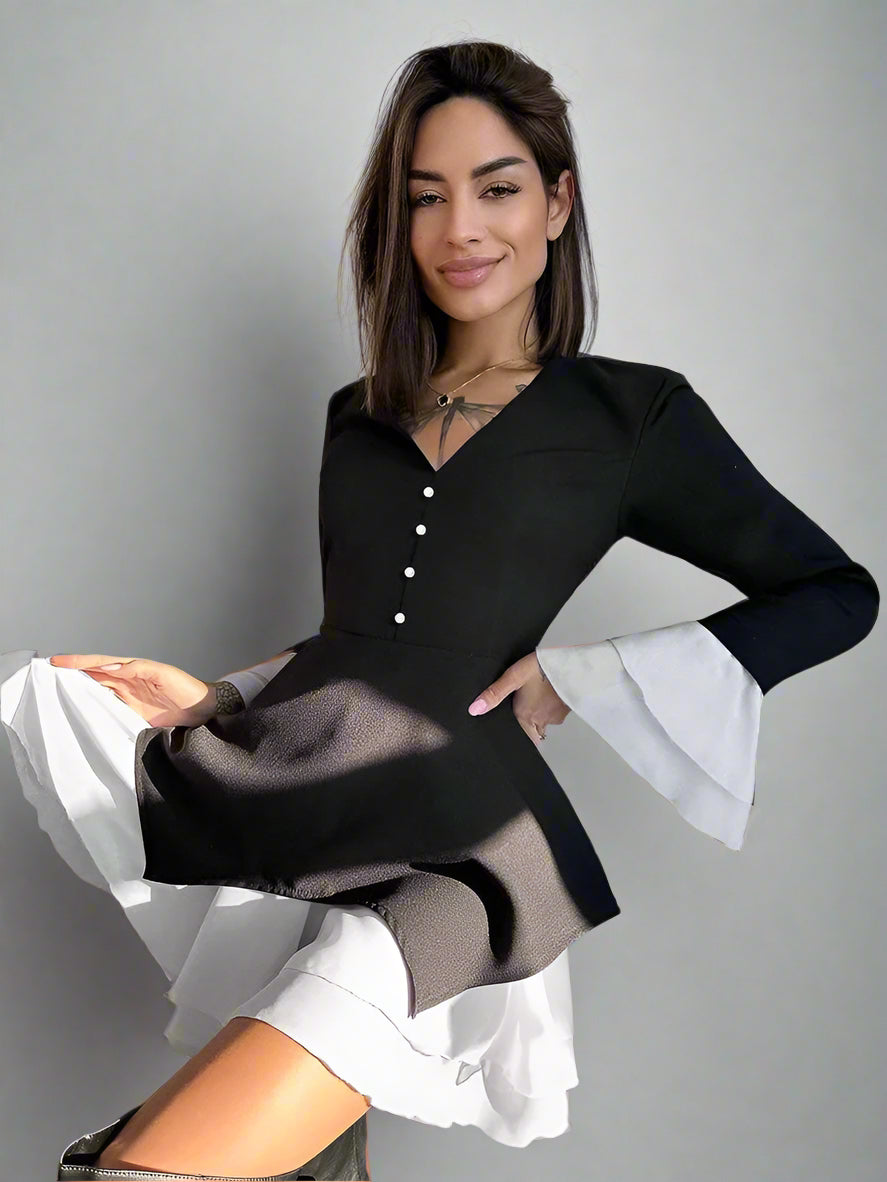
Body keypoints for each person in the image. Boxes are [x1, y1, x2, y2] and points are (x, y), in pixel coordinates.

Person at [0, 38, 879, 1182]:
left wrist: (584, 677)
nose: (460, 228)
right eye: (425, 197)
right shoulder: (356, 418)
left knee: (148, 1171)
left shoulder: (631, 418)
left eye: (495, 188)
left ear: (556, 202)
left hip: (469, 856)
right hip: (323, 807)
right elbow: (363, 639)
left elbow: (835, 593)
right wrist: (219, 696)